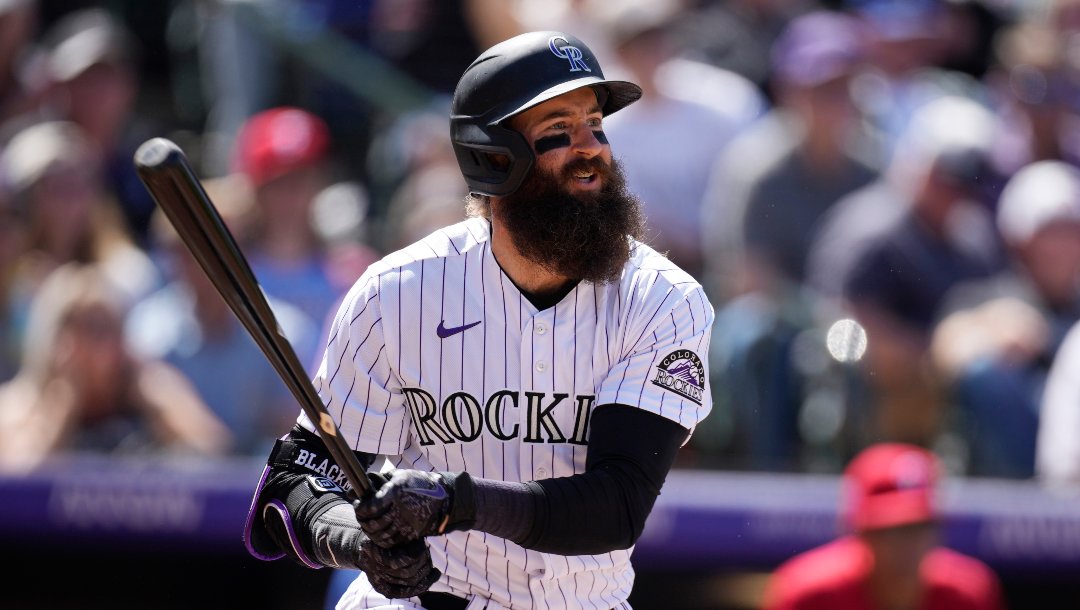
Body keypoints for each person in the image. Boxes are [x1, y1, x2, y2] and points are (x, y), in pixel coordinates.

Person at [242, 30, 714, 610]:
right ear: (493, 158)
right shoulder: (399, 293)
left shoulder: (662, 299)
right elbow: (296, 480)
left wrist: (452, 503)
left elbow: (617, 504)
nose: (592, 149)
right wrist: (357, 540)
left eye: (596, 125)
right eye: (559, 133)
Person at [0, 262, 231, 473]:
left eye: (113, 327)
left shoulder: (149, 388)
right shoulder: (21, 404)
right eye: (92, 328)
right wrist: (64, 405)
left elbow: (218, 456)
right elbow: (17, 485)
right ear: (57, 339)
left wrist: (158, 404)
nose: (108, 342)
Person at [762, 442, 1007, 610]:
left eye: (919, 526)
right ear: (861, 532)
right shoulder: (809, 592)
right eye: (892, 529)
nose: (907, 544)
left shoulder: (969, 592)